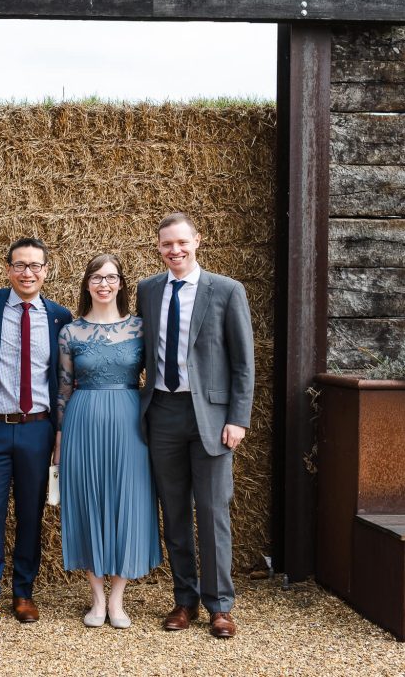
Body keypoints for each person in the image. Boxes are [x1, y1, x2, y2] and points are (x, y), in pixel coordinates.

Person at [137, 212, 254, 639]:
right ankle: (183, 600)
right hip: (162, 412)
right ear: (158, 247)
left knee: (212, 511)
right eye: (167, 244)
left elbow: (243, 363)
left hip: (212, 417)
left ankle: (219, 605)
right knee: (174, 514)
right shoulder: (148, 290)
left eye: (182, 242)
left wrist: (238, 418)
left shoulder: (226, 290)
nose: (175, 250)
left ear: (197, 241)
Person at [54, 254, 162, 630]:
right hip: (82, 421)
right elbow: (64, 389)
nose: (104, 284)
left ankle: (118, 599)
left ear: (121, 284)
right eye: (97, 277)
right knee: (88, 502)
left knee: (128, 501)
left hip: (130, 422)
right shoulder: (70, 332)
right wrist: (59, 439)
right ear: (87, 284)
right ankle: (97, 599)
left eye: (111, 277)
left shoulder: (141, 328)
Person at [0, 237, 72, 633]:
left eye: (35, 266)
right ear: (7, 269)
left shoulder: (59, 317)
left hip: (37, 429)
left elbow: (64, 380)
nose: (27, 273)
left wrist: (59, 432)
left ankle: (24, 592)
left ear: (46, 270)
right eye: (19, 265)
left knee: (31, 513)